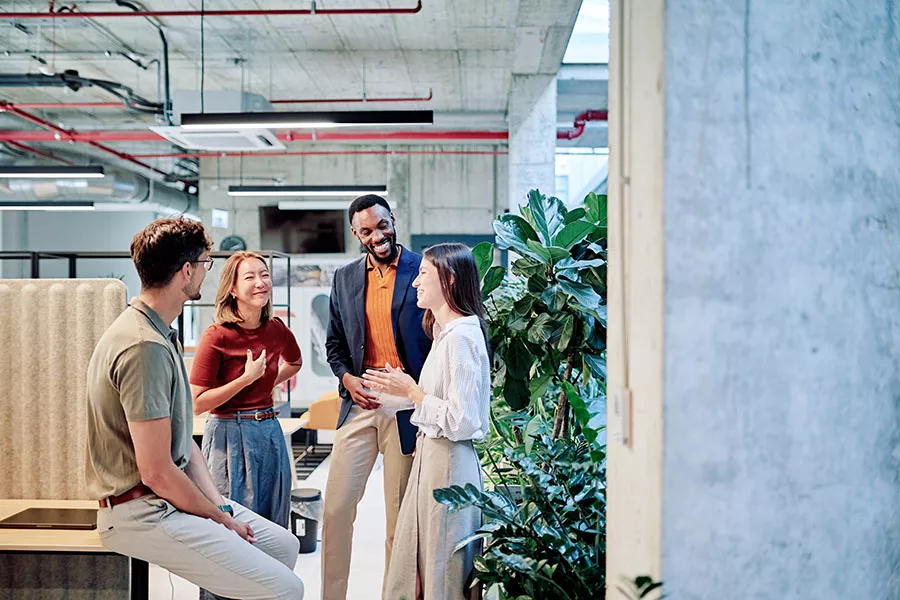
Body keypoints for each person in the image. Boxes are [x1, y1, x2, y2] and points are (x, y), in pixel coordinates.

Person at [85, 218, 304, 600]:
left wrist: (219, 504)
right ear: (187, 270)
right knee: (286, 588)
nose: (207, 272)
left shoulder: (158, 332)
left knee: (283, 547)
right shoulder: (143, 346)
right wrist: (218, 518)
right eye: (206, 263)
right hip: (142, 512)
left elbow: (182, 443)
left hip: (161, 499)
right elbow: (157, 472)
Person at [364, 243, 491, 600]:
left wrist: (415, 394)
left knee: (442, 569)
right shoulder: (446, 334)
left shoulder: (461, 337)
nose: (416, 282)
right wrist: (397, 392)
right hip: (434, 459)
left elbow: (462, 420)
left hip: (449, 464)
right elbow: (441, 404)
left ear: (448, 280)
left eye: (423, 274)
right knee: (425, 563)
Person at [322, 194, 433, 600]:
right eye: (367, 231)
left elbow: (439, 340)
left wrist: (421, 396)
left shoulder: (423, 269)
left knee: (398, 519)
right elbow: (335, 345)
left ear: (393, 220)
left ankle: (396, 595)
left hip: (405, 407)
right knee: (335, 510)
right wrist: (347, 379)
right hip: (361, 402)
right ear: (356, 234)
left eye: (382, 225)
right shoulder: (345, 278)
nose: (378, 236)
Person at [190, 251, 304, 600]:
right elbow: (197, 402)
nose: (261, 282)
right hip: (229, 435)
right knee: (231, 534)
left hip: (269, 432)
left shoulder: (276, 329)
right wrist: (246, 380)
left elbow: (295, 362)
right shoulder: (217, 336)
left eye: (264, 275)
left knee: (272, 525)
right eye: (250, 277)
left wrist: (267, 382)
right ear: (233, 290)